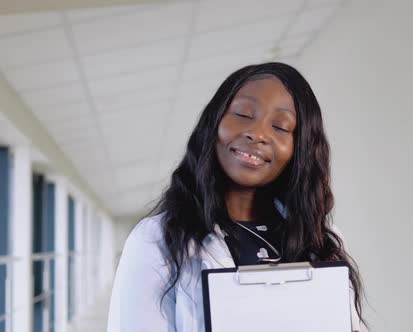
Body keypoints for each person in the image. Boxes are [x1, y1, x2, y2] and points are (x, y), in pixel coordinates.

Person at [107, 62, 366, 331]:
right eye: (243, 114)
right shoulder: (155, 238)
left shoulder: (321, 237)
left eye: (280, 127)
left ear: (299, 149)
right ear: (214, 123)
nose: (258, 134)